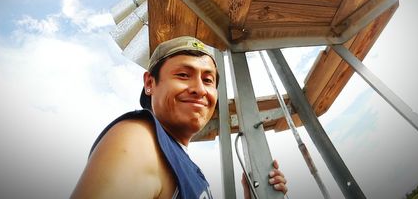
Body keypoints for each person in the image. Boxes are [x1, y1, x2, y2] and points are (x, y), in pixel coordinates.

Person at [71, 36, 287, 198]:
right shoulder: (139, 139)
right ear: (149, 83)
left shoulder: (182, 163)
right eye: (183, 75)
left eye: (208, 80)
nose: (199, 89)